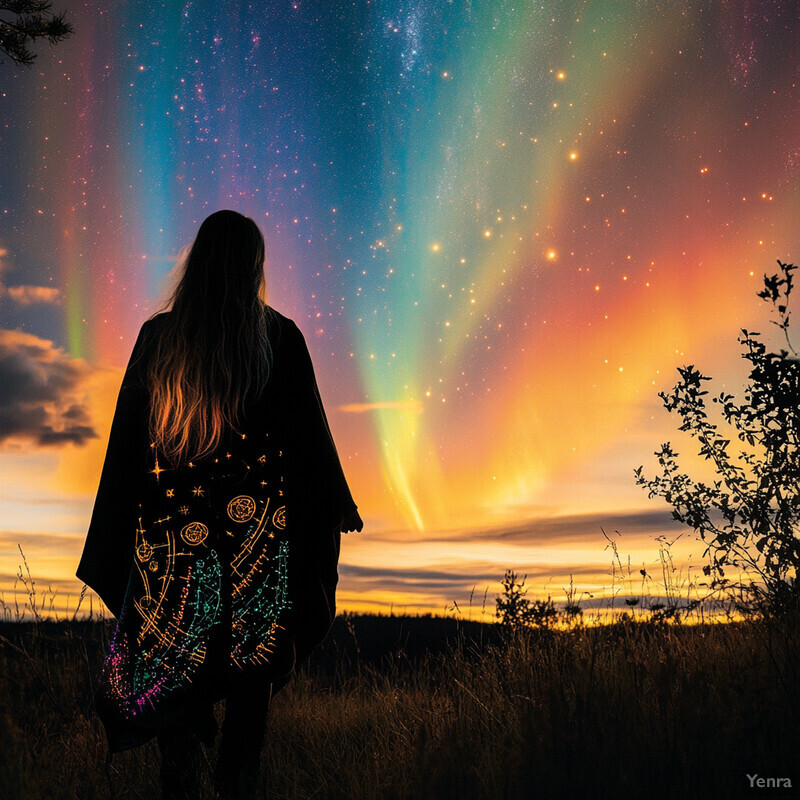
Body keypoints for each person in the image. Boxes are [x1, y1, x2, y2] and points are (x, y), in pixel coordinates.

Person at [76, 209, 363, 799]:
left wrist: (119, 544)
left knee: (177, 692)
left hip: (175, 553)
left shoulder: (161, 337)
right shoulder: (278, 337)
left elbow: (128, 453)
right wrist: (328, 513)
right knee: (247, 708)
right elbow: (308, 452)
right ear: (253, 267)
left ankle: (183, 777)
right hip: (254, 556)